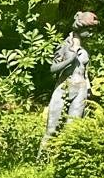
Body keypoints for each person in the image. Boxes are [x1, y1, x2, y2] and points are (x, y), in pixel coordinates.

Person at [40, 10, 99, 152]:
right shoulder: (65, 46)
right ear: (80, 28)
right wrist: (69, 60)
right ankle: (42, 159)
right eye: (89, 30)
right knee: (52, 128)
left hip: (81, 90)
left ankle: (65, 158)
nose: (91, 33)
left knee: (72, 128)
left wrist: (89, 88)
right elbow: (53, 68)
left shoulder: (85, 49)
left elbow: (85, 71)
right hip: (64, 86)